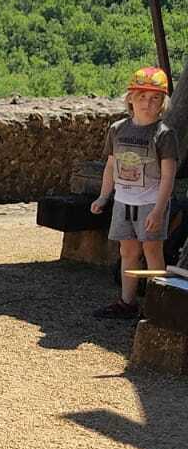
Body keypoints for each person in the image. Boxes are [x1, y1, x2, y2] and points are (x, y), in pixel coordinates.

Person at [90, 66, 179, 320]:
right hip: (122, 201)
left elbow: (169, 175)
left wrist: (159, 210)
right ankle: (127, 303)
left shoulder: (164, 135)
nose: (147, 103)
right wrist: (103, 196)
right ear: (130, 98)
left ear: (163, 103)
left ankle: (157, 308)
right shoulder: (117, 129)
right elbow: (111, 166)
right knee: (127, 252)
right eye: (142, 96)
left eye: (154, 98)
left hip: (150, 203)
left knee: (152, 252)